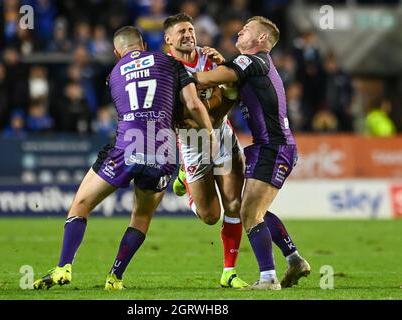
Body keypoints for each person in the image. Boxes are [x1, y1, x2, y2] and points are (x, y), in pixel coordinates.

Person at [33, 26, 216, 290]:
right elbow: (192, 104)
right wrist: (209, 134)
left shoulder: (114, 74)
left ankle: (63, 268)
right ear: (142, 43)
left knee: (81, 205)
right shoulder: (170, 62)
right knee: (140, 216)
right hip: (162, 149)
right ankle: (115, 277)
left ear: (117, 51)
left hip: (127, 146)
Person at [194, 16, 310, 290]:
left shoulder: (255, 60)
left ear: (261, 39)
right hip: (269, 146)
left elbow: (221, 77)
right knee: (255, 210)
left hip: (273, 147)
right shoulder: (256, 66)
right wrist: (224, 64)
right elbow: (233, 77)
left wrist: (185, 77)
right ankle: (294, 259)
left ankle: (268, 278)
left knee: (250, 214)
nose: (240, 31)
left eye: (247, 30)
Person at [164, 13, 248, 289]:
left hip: (221, 133)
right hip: (192, 142)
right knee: (210, 216)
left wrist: (226, 70)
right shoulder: (165, 68)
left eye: (190, 29)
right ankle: (186, 179)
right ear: (168, 40)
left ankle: (229, 272)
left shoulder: (210, 58)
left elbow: (232, 95)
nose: (188, 34)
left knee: (234, 203)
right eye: (181, 31)